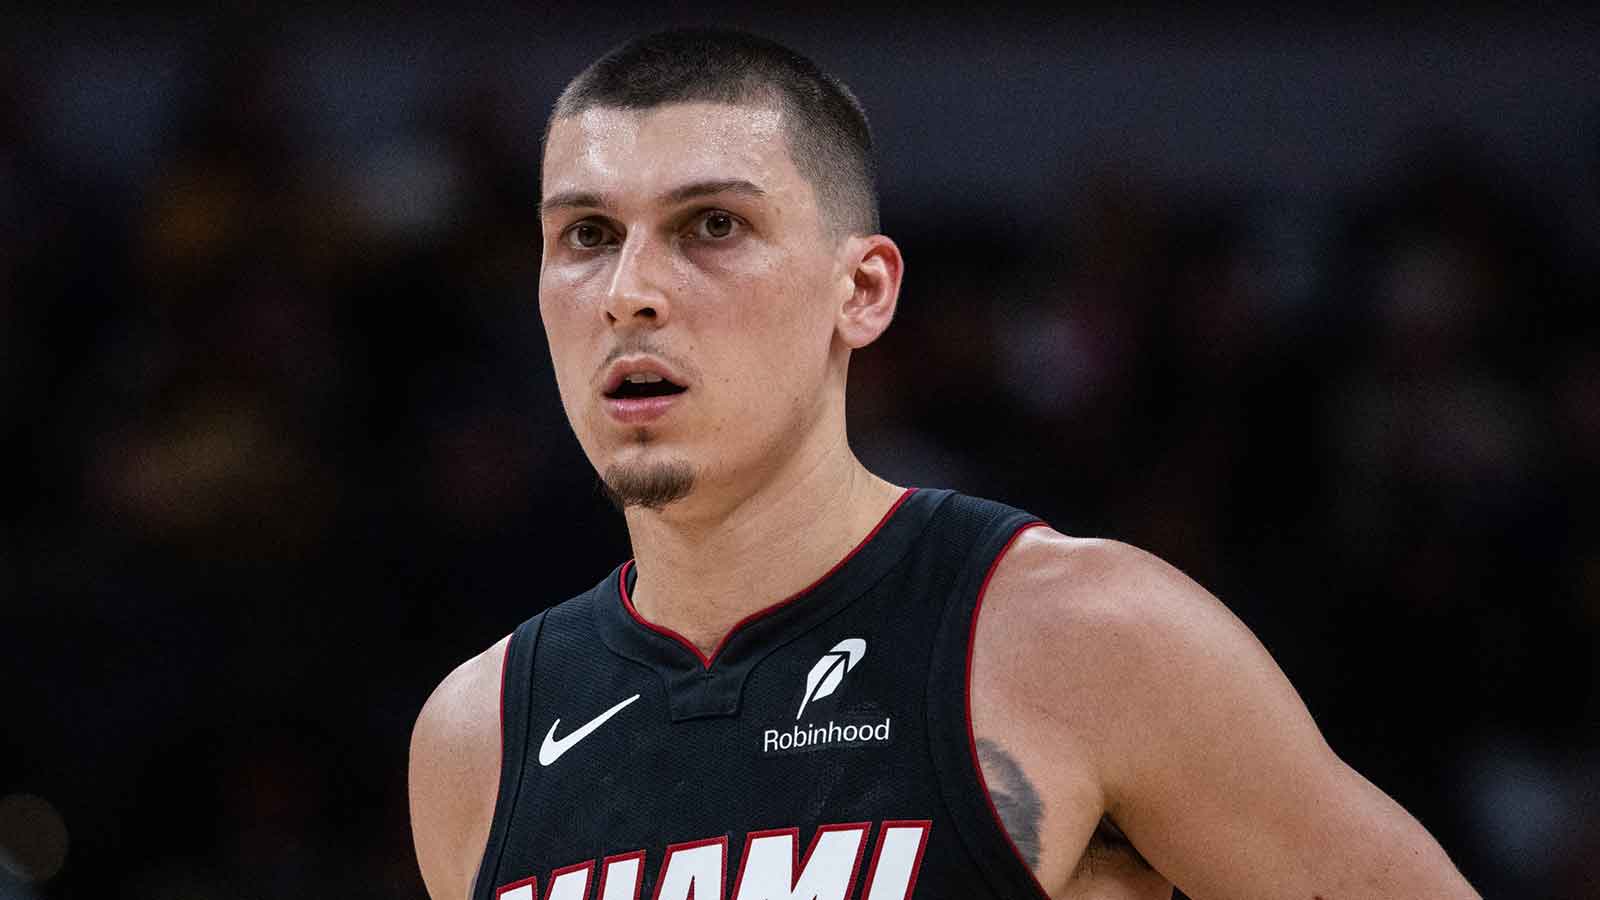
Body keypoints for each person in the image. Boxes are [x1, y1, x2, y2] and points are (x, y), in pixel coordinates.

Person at [408, 28, 1480, 900]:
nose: (628, 292)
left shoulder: (1089, 638)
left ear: (861, 290)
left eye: (712, 225)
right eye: (587, 234)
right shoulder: (475, 739)